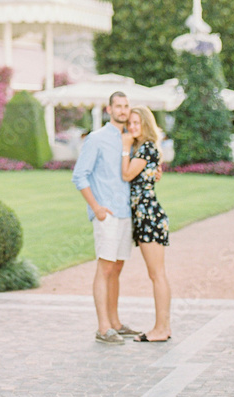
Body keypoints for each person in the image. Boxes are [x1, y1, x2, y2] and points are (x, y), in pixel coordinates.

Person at [72, 91, 138, 344]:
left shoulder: (129, 139)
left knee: (117, 268)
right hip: (106, 214)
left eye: (126, 106)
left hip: (125, 213)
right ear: (109, 109)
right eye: (118, 106)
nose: (122, 110)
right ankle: (103, 328)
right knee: (105, 267)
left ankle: (116, 323)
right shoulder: (96, 138)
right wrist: (96, 208)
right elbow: (80, 176)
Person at [122, 105, 171, 342]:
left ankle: (161, 328)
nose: (132, 127)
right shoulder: (141, 149)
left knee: (157, 275)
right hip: (144, 216)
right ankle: (162, 327)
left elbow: (127, 174)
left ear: (146, 125)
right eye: (129, 123)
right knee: (156, 275)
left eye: (136, 123)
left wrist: (123, 149)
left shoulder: (146, 148)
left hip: (150, 217)